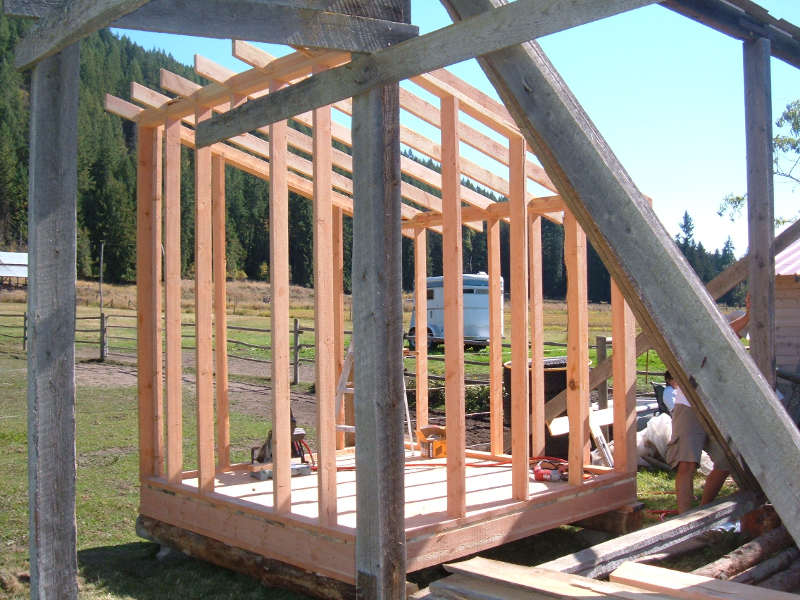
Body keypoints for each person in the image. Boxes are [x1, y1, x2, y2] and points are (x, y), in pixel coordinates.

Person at [664, 370, 731, 513]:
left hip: (719, 405)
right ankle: (684, 520)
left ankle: (702, 512)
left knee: (727, 463)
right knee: (686, 463)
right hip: (688, 404)